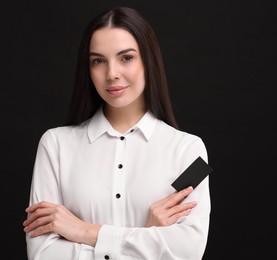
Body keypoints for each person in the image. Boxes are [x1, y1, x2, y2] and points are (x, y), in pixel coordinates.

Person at [22, 6, 211, 260]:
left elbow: (189, 251)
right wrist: (147, 235)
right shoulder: (55, 145)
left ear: (148, 61)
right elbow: (43, 254)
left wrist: (84, 231)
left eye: (126, 58)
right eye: (98, 61)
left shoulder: (189, 150)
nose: (111, 74)